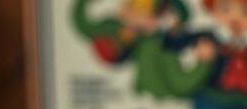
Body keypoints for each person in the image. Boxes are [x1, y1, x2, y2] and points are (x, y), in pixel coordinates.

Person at [71, 0, 212, 100]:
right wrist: (204, 62)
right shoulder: (151, 43)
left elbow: (84, 25)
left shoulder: (162, 40)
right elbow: (180, 84)